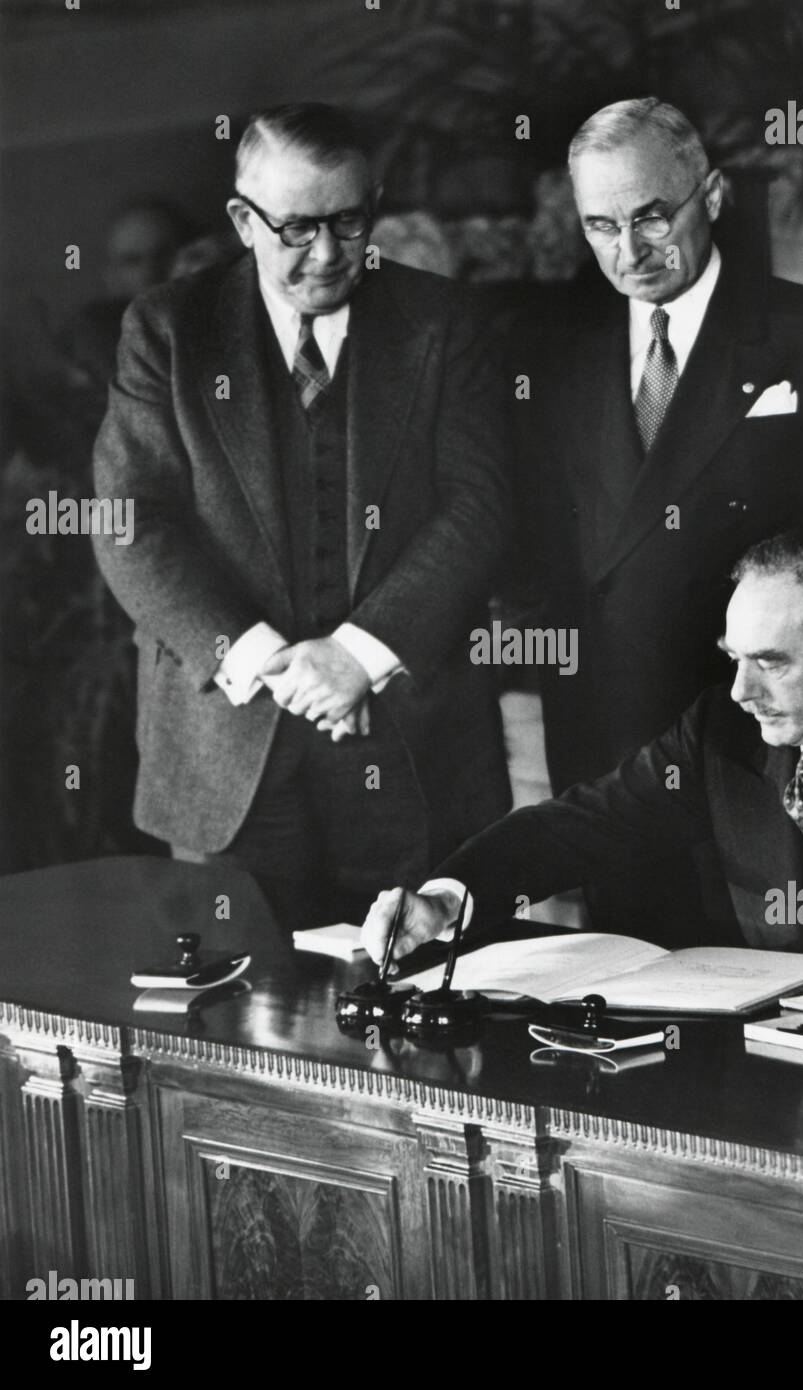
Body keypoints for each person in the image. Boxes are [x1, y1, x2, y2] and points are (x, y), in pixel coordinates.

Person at [512, 97, 803, 940]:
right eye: (600, 227)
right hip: (609, 734)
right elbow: (541, 540)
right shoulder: (552, 350)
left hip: (763, 737)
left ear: (713, 195)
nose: (630, 252)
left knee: (774, 991)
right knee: (629, 984)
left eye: (652, 217)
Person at [92, 103, 512, 927]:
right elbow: (132, 523)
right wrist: (270, 663)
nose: (326, 254)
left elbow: (481, 505)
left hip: (414, 751)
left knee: (427, 1008)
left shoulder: (444, 322)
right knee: (235, 1022)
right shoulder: (169, 330)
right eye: (296, 229)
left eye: (350, 222)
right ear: (243, 221)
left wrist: (357, 656)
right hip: (225, 756)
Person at [361, 535, 803, 990]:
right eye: (733, 660)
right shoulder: (720, 731)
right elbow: (582, 826)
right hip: (763, 1106)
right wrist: (444, 899)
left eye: (770, 663)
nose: (743, 691)